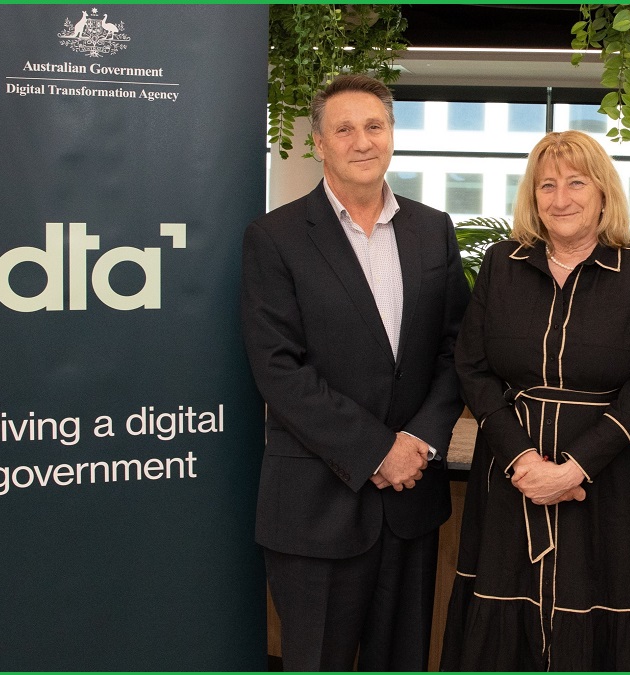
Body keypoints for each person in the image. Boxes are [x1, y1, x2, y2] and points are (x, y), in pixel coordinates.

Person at [240, 73, 469, 671]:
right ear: (319, 142)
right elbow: (278, 369)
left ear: (392, 134)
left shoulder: (432, 229)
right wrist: (376, 451)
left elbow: (458, 349)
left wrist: (416, 442)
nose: (362, 141)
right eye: (344, 129)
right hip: (316, 508)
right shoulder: (275, 237)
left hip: (411, 505)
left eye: (375, 126)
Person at [440, 130, 630, 671]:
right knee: (508, 608)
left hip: (611, 480)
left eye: (576, 182)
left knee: (604, 609)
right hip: (512, 474)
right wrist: (522, 459)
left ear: (603, 192)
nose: (560, 198)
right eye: (546, 185)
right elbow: (472, 367)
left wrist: (576, 469)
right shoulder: (503, 264)